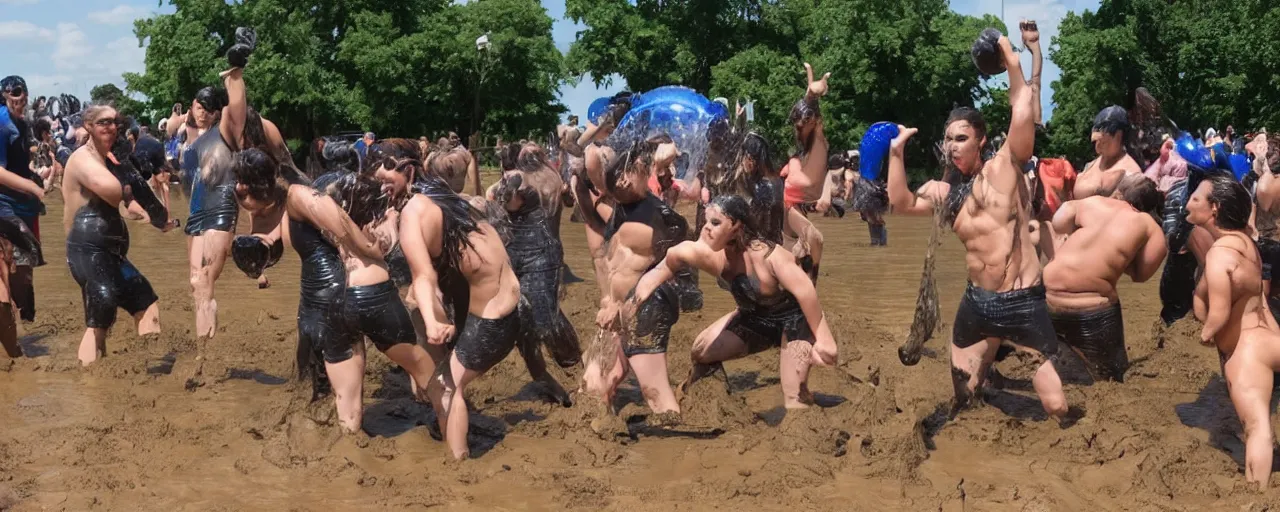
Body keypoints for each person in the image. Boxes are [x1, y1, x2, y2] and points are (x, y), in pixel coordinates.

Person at [886, 22, 1072, 421]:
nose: (953, 147)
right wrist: (896, 152)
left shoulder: (1005, 167)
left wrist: (1009, 55)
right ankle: (986, 378)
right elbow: (899, 203)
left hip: (1022, 300)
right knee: (963, 395)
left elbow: (1022, 107)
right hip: (978, 304)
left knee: (1057, 405)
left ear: (981, 140)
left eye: (962, 138)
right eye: (948, 139)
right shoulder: (944, 192)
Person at [626, 195, 837, 408]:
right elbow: (663, 267)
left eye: (716, 223)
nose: (706, 228)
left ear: (736, 227)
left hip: (794, 320)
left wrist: (824, 338)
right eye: (706, 222)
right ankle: (712, 399)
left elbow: (806, 292)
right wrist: (634, 303)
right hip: (754, 319)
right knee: (701, 351)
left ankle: (817, 403)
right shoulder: (710, 255)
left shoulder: (768, 256)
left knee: (794, 400)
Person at [399, 172, 523, 460]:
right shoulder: (470, 219)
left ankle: (458, 462)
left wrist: (431, 323)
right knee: (450, 382)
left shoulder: (415, 211)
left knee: (447, 386)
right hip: (509, 310)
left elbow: (423, 277)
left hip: (493, 322)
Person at [586, 138, 694, 425]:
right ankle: (605, 434)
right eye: (618, 174)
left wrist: (630, 303)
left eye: (629, 170)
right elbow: (609, 263)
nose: (620, 179)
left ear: (642, 172)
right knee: (594, 383)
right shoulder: (619, 208)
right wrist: (609, 301)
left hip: (648, 306)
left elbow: (681, 264)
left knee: (654, 393)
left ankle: (677, 454)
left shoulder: (662, 217)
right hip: (619, 309)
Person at [1188, 172, 1280, 490]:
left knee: (1257, 429)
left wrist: (1205, 334)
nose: (1189, 202)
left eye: (1196, 198)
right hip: (1271, 335)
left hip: (1247, 351)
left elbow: (1220, 312)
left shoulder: (1219, 254)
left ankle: (1259, 494)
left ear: (1214, 209)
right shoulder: (1247, 244)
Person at [61, 105, 168, 365]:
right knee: (103, 306)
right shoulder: (82, 159)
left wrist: (150, 216)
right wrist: (126, 163)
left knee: (145, 299)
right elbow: (113, 190)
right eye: (104, 122)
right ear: (88, 126)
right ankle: (92, 383)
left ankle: (149, 369)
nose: (111, 127)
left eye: (115, 123)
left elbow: (127, 203)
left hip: (112, 252)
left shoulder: (109, 160)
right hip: (85, 250)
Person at [1044, 174, 1166, 382]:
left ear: (1118, 192)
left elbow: (1058, 224)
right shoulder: (1149, 225)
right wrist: (1122, 256)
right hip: (1092, 308)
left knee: (1063, 372)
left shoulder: (1089, 203)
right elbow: (1141, 275)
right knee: (1112, 379)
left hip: (1048, 298)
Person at [486, 142, 578, 405]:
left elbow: (500, 210)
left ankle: (554, 371)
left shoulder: (516, 180)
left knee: (529, 320)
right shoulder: (553, 176)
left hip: (527, 252)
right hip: (549, 249)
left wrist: (493, 193)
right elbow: (568, 201)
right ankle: (569, 360)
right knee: (545, 315)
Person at [780, 63, 832, 282]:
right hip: (785, 206)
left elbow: (810, 120)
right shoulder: (799, 148)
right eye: (796, 124)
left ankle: (808, 286)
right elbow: (805, 118)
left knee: (810, 242)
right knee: (807, 242)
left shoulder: (816, 144)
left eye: (802, 124)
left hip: (793, 206)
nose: (798, 127)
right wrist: (810, 94)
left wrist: (812, 97)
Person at [0, 76, 45, 325]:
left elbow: (20, 165)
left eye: (24, 91)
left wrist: (36, 178)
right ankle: (12, 328)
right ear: (4, 95)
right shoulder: (1, 123)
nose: (22, 96)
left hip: (25, 205)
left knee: (26, 268)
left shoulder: (22, 124)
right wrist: (31, 186)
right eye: (15, 92)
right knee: (13, 265)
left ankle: (26, 326)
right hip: (4, 204)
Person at [1073, 105, 1145, 200]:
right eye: (1096, 141)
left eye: (1103, 141)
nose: (1097, 146)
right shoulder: (1090, 165)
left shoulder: (1131, 173)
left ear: (1119, 136)